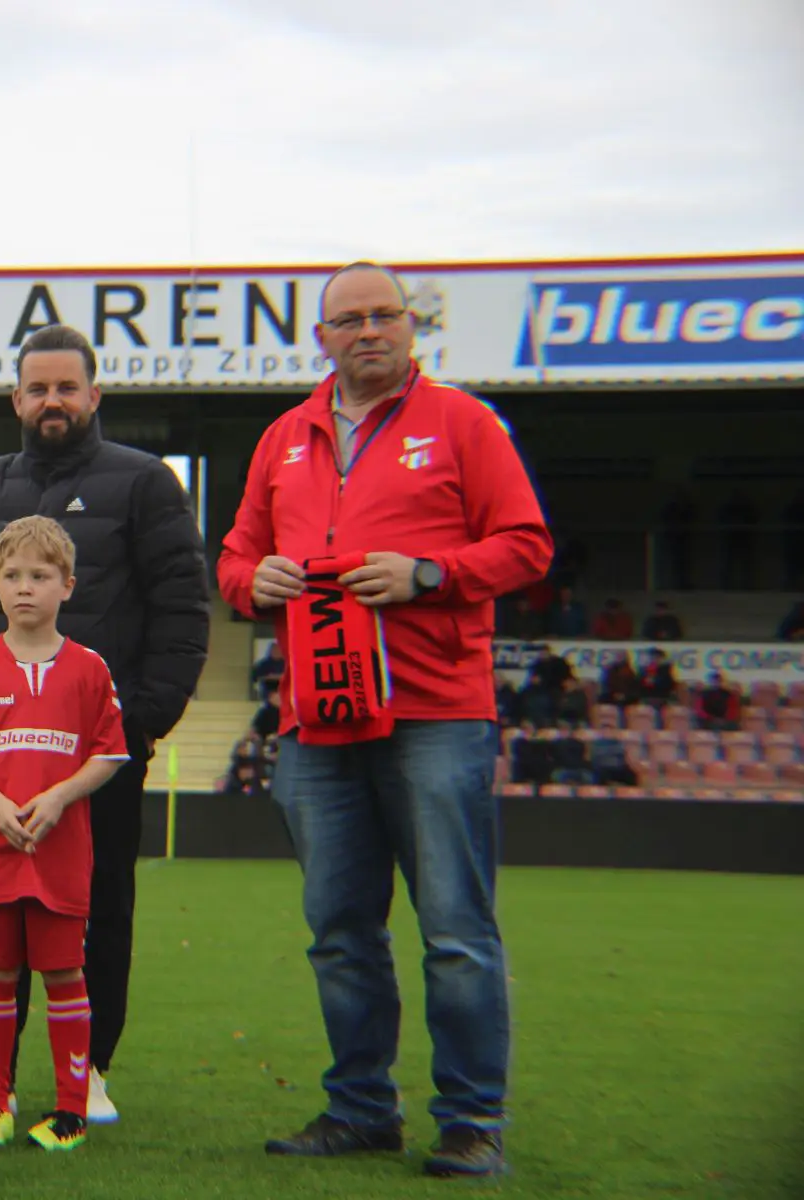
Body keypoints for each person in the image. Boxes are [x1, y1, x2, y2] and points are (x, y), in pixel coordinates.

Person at [217, 261, 552, 1178]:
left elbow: (527, 544)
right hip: (318, 719)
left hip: (437, 710)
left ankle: (472, 1120)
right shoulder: (284, 437)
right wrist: (258, 582)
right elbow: (237, 557)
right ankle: (361, 1108)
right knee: (338, 928)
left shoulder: (466, 423)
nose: (367, 331)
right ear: (320, 337)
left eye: (383, 315)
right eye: (347, 319)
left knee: (454, 928)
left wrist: (429, 575)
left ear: (413, 327)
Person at [0, 323, 209, 1125]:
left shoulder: (144, 482)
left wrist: (138, 726)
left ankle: (93, 1073)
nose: (53, 401)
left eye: (67, 387)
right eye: (37, 388)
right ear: (15, 399)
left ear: (94, 396)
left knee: (96, 913)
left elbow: (183, 611)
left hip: (93, 762)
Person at [0, 516, 129, 1151]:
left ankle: (71, 1109)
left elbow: (109, 752)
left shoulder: (90, 669)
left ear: (67, 585)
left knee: (65, 973)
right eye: (12, 576)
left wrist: (60, 795)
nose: (25, 588)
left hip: (60, 847)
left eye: (40, 576)